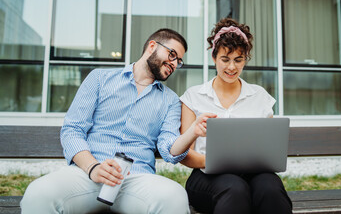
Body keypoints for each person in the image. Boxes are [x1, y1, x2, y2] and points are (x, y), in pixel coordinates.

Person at [21, 28, 210, 214]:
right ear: (152, 46)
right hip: (88, 174)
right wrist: (93, 167)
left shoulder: (170, 101)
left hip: (135, 180)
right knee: (37, 194)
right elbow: (72, 130)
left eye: (178, 60)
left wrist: (192, 132)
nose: (174, 63)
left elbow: (169, 151)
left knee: (174, 197)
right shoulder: (99, 78)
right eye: (172, 54)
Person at [179, 18, 293, 214]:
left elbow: (269, 148)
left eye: (238, 60)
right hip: (206, 176)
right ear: (214, 58)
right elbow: (185, 154)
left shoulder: (260, 96)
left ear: (245, 60)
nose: (231, 67)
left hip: (253, 174)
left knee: (271, 188)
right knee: (234, 188)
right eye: (225, 59)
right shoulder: (193, 96)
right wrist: (215, 161)